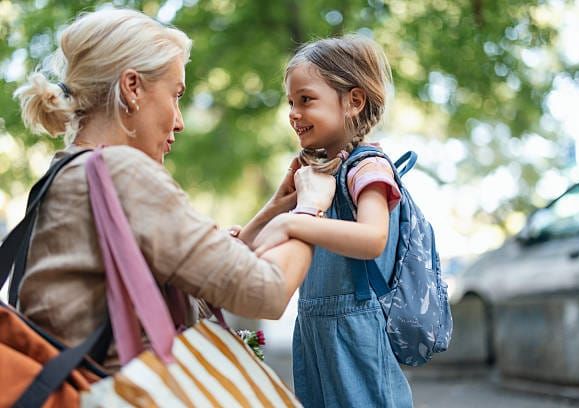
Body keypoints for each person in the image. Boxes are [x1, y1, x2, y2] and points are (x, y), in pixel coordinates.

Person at [12, 8, 335, 372]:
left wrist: (275, 209)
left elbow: (195, 272)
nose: (179, 121)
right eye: (176, 94)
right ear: (132, 87)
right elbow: (266, 292)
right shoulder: (122, 171)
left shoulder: (66, 172)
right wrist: (310, 209)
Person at [252, 36, 414, 407]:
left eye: (306, 100)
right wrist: (280, 209)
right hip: (313, 328)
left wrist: (294, 223)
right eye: (291, 102)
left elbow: (373, 237)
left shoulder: (366, 167)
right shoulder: (318, 173)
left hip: (354, 329)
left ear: (353, 101)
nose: (294, 112)